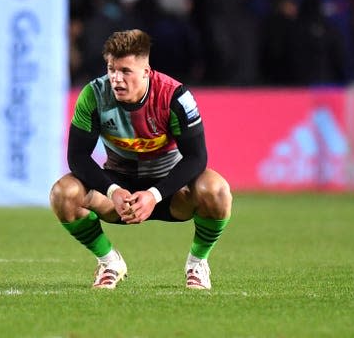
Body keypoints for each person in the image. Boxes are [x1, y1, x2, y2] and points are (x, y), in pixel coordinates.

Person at [49, 29, 232, 290]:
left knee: (216, 190)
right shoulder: (94, 95)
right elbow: (77, 156)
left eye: (126, 71)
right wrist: (112, 191)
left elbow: (196, 157)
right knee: (63, 193)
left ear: (146, 71)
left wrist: (154, 195)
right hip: (119, 189)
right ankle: (110, 262)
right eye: (111, 69)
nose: (116, 78)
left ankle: (197, 263)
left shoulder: (176, 96)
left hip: (169, 190)